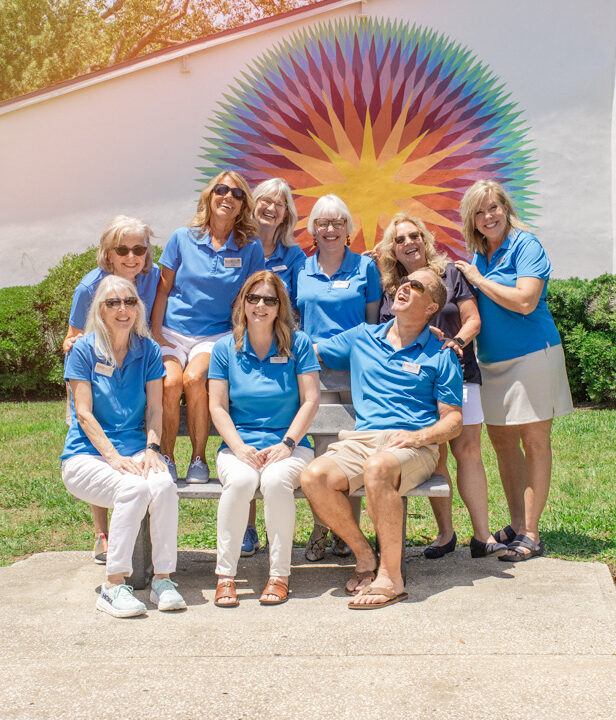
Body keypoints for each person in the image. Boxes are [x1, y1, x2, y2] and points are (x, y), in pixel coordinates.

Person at [301, 269, 463, 609]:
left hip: (413, 445)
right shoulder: (363, 336)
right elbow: (309, 351)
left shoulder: (441, 352)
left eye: (415, 286)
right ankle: (365, 555)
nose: (404, 288)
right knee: (314, 477)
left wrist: (420, 436)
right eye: (403, 283)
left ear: (431, 307)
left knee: (377, 468)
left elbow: (453, 421)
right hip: (362, 439)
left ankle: (391, 578)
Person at [455, 179, 573, 561]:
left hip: (532, 357)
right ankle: (518, 523)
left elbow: (525, 300)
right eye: (479, 211)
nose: (488, 216)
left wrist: (479, 281)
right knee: (503, 444)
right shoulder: (480, 255)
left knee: (534, 442)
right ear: (471, 220)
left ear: (505, 208)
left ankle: (532, 534)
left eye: (493, 207)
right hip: (491, 362)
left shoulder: (526, 245)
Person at [378, 214, 506, 558]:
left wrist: (455, 342)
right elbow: (385, 334)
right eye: (400, 239)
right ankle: (445, 535)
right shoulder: (391, 287)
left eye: (414, 235)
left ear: (425, 239)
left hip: (460, 374)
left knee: (469, 452)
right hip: (416, 384)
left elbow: (472, 319)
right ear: (393, 249)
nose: (409, 243)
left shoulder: (451, 274)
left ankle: (482, 536)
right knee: (436, 458)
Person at [61, 276, 185, 617]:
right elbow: (83, 413)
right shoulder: (83, 350)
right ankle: (113, 586)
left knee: (163, 485)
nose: (122, 309)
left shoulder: (148, 350)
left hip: (135, 451)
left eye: (130, 301)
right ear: (99, 310)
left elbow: (156, 409)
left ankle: (163, 580)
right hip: (86, 455)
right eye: (113, 302)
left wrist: (152, 449)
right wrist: (113, 457)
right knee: (133, 488)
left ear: (138, 308)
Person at [208, 271, 320, 606]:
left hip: (291, 446)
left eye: (269, 300)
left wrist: (287, 444)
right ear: (242, 302)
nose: (261, 305)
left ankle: (279, 575)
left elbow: (311, 401)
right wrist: (239, 448)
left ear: (280, 306)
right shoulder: (225, 348)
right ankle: (225, 577)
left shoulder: (298, 344)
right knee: (241, 482)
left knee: (274, 482)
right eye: (253, 298)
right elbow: (217, 406)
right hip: (239, 447)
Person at [150, 170, 265, 484]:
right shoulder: (181, 237)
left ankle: (198, 459)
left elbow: (253, 295)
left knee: (195, 378)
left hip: (215, 333)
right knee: (170, 383)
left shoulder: (251, 247)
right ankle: (166, 456)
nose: (228, 197)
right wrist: (156, 332)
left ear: (243, 205)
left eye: (237, 194)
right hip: (172, 330)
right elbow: (163, 288)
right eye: (221, 190)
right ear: (209, 196)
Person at [62, 215, 160, 565]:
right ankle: (102, 533)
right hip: (94, 375)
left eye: (139, 249)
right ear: (108, 253)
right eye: (122, 250)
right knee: (98, 448)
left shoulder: (152, 277)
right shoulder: (89, 287)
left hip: (135, 363)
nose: (131, 256)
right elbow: (74, 336)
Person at [295, 194, 382, 561]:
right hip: (316, 372)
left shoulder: (365, 267)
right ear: (313, 229)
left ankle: (348, 532)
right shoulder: (300, 268)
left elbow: (372, 323)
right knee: (323, 450)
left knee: (353, 450)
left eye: (337, 222)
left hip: (355, 371)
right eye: (322, 223)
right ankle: (321, 527)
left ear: (348, 228)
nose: (330, 229)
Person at [240, 178, 306, 556]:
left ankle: (278, 528)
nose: (270, 208)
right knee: (247, 431)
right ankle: (247, 527)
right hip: (243, 350)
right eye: (265, 200)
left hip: (281, 349)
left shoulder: (293, 256)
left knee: (275, 434)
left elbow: (298, 304)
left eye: (279, 204)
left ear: (286, 214)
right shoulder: (239, 245)